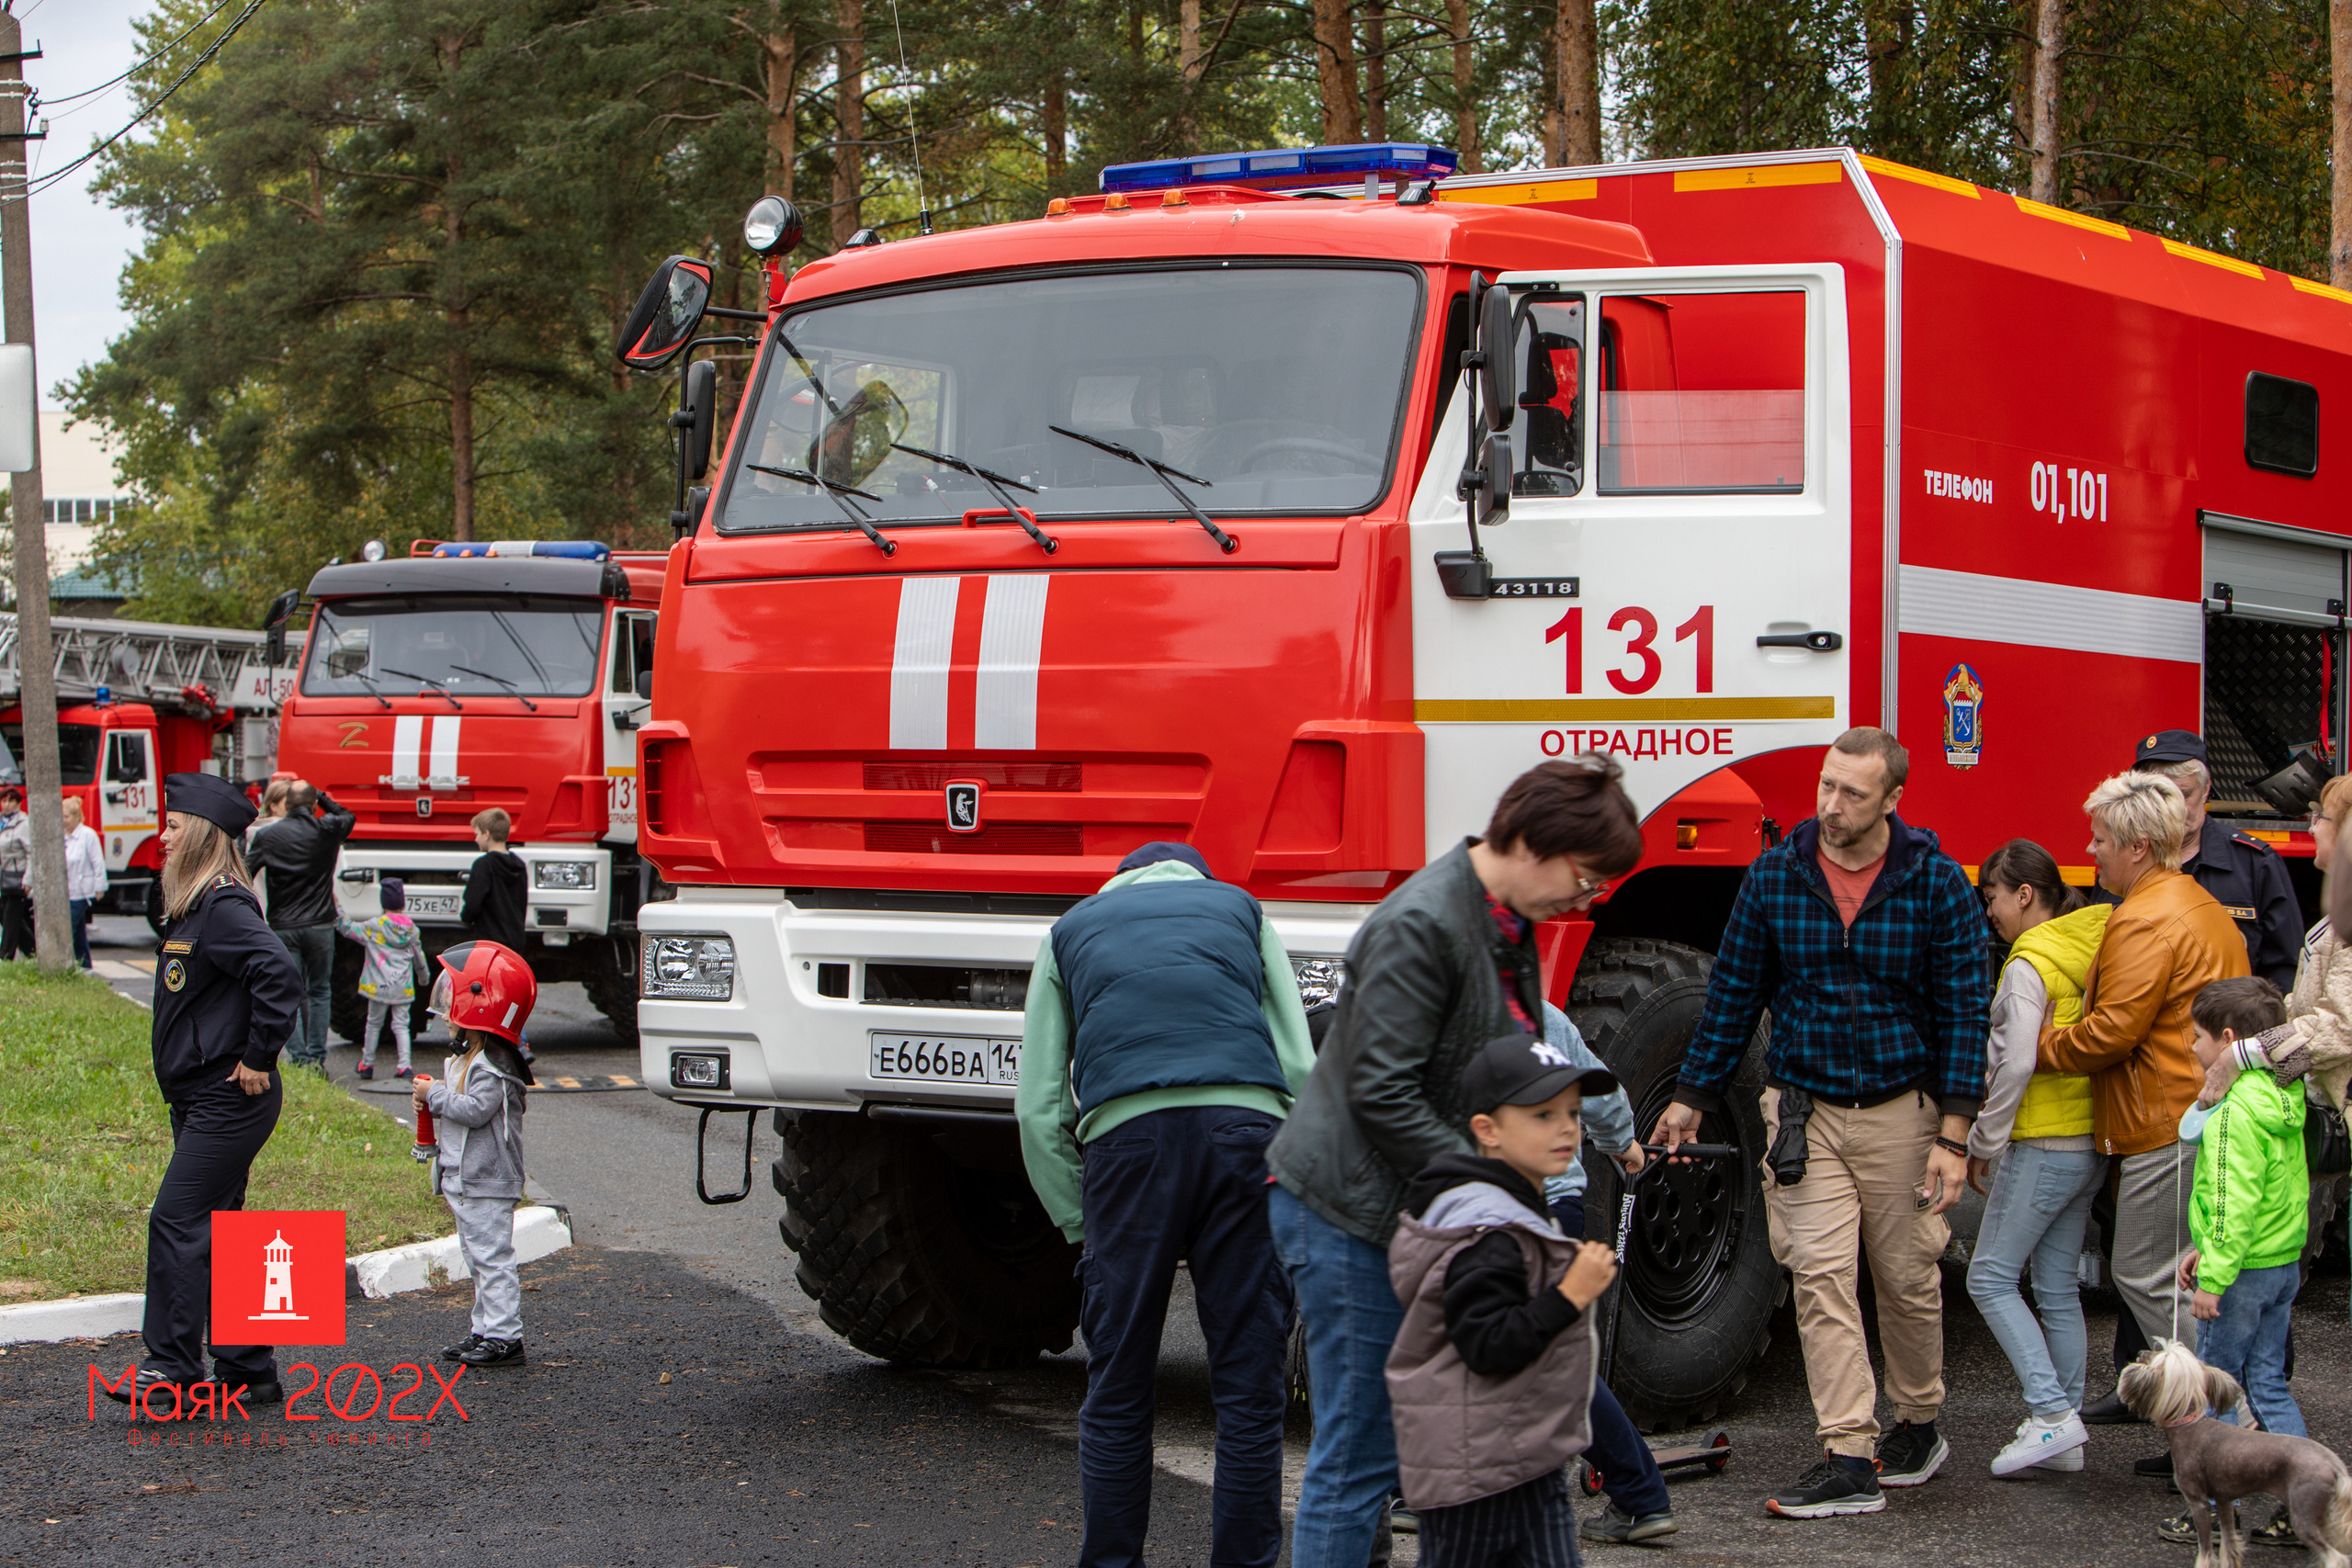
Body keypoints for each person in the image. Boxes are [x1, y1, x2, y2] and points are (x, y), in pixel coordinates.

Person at [1266, 755, 1644, 1568]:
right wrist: (1492, 1190)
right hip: (1348, 1208)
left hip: (1415, 1204)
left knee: (1389, 1442)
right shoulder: (1423, 924)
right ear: (1536, 842)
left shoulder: (1507, 917)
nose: (1589, 900)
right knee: (1360, 1451)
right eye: (1585, 879)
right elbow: (1379, 1090)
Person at [1653, 727, 1988, 1519]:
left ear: (1893, 800)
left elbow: (1966, 1012)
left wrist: (1954, 1134)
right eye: (1827, 786)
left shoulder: (1936, 883)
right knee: (1821, 1275)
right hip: (1805, 1113)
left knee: (1906, 1277)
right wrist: (1691, 1094)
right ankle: (1847, 1452)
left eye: (1853, 794)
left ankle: (1918, 1421)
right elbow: (1734, 993)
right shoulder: (1777, 876)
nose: (1832, 805)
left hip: (1905, 1114)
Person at [1014, 840, 1315, 1568]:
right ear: (1200, 880)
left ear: (1117, 883)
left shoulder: (1071, 928)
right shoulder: (1242, 909)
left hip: (1129, 1145)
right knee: (1248, 1392)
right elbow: (1302, 1063)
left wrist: (1079, 1220)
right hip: (1246, 1135)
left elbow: (1037, 1107)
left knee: (1118, 1388)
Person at [2041, 772, 2247, 1423]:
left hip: (2166, 1123)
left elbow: (2110, 1033)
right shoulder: (2198, 903)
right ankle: (2210, 1417)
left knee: (2145, 1273)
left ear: (2136, 847)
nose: (2091, 848)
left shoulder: (2141, 920)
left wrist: (2041, 1046)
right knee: (2180, 1274)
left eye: (2100, 838)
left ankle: (2223, 1421)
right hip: (2197, 1114)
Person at [103, 773, 303, 1411]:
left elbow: (280, 973)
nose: (162, 836)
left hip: (228, 1096)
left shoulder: (223, 905)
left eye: (173, 826)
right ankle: (250, 1371)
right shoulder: (197, 903)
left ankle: (170, 1367)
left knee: (176, 1217)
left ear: (202, 836)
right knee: (221, 1227)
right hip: (200, 1096)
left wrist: (257, 1055)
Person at [1387, 1032, 1623, 1568]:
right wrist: (1570, 1295)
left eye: (1571, 1111)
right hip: (1477, 1478)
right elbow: (1488, 1344)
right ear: (1487, 1130)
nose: (1567, 1126)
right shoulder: (1489, 1227)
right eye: (1542, 1115)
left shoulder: (1517, 1207)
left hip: (1524, 1459)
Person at [1964, 839, 2109, 1476]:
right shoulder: (2090, 946)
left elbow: (2018, 1059)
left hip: (2041, 1140)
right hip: (2088, 1141)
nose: (1988, 909)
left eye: (1992, 894)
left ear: (2025, 893)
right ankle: (2066, 1430)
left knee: (1988, 1275)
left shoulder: (2029, 961)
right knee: (2056, 1287)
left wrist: (1981, 1141)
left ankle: (2051, 1414)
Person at [1535, 1001, 1677, 1546]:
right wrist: (1623, 1146)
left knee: (1543, 1361)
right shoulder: (1538, 1010)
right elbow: (1596, 1088)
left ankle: (1641, 1494)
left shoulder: (1429, 996)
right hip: (1552, 1199)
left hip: (1498, 1203)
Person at [2179, 978, 2309, 1438]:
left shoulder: (2233, 1112)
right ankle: (2304, 1503)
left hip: (2241, 1274)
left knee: (2217, 1390)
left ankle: (2214, 1506)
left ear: (2229, 1039)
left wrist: (2213, 1277)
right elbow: (2271, 1194)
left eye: (2198, 1035)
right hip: (2280, 1264)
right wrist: (2208, 1251)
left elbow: (2229, 1202)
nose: (2194, 1046)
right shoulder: (2282, 1095)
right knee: (2268, 1385)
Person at [414, 939, 537, 1368]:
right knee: (477, 1258)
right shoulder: (468, 1058)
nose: (446, 1012)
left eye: (452, 1000)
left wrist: (436, 1096)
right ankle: (484, 1330)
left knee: (492, 1259)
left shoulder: (494, 1068)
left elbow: (474, 1111)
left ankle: (506, 1337)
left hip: (487, 1179)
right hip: (467, 1178)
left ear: (479, 1004)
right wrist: (433, 1098)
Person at [2130, 731, 2300, 991]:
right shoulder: (2124, 859)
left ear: (2206, 789)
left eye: (2183, 795)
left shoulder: (2255, 864)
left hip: (2230, 1026)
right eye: (2160, 797)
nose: (2172, 808)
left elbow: (2287, 970)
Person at [242, 779, 355, 1070]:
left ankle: (299, 1058)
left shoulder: (268, 836)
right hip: (320, 924)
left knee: (289, 991)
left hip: (283, 925)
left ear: (287, 805)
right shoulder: (327, 830)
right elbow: (347, 816)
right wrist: (321, 795)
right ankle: (317, 1057)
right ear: (313, 805)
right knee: (320, 991)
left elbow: (245, 873)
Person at [337, 876, 430, 1079]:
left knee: (373, 1024)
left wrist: (339, 910)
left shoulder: (373, 926)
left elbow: (347, 929)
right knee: (401, 1025)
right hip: (402, 987)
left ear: (383, 902)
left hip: (378, 987)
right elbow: (419, 958)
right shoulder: (412, 930)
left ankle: (367, 1064)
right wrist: (424, 978)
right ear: (403, 904)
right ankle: (404, 1066)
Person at [461, 807, 526, 952]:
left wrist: (465, 918)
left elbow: (473, 902)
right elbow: (522, 904)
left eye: (477, 834)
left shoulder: (484, 865)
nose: (475, 839)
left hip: (490, 943)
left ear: (487, 834)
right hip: (515, 942)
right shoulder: (519, 865)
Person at [62, 795, 107, 970]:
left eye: (66, 816)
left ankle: (67, 966)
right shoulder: (64, 837)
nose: (63, 820)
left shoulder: (88, 835)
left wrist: (100, 886)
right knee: (79, 932)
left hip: (81, 892)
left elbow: (97, 862)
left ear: (76, 816)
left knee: (69, 929)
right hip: (67, 891)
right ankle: (85, 966)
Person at [0, 783, 31, 960]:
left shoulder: (23, 823)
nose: (6, 804)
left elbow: (31, 852)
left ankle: (5, 956)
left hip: (17, 877)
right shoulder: (2, 822)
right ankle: (32, 951)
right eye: (4, 800)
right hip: (3, 877)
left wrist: (28, 880)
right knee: (8, 918)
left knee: (11, 919)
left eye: (11, 801)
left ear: (18, 803)